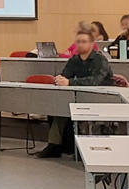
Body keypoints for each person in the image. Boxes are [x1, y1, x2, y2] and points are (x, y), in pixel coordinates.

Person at [36, 30, 113, 158]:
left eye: (84, 42)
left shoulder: (100, 60)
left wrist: (69, 82)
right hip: (80, 96)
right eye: (78, 42)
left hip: (101, 98)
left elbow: (95, 81)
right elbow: (66, 75)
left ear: (91, 44)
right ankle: (54, 145)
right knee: (57, 107)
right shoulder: (74, 60)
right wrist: (60, 79)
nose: (80, 44)